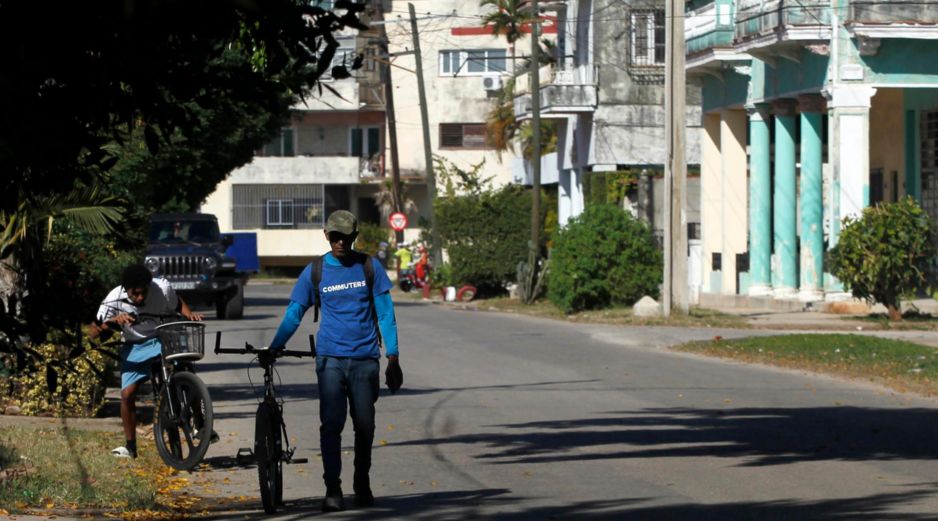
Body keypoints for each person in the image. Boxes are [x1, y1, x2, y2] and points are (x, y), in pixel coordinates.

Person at [269, 209, 403, 512]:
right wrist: (275, 346)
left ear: (354, 237)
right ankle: (332, 487)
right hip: (330, 359)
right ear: (326, 235)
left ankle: (361, 482)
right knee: (331, 425)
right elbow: (294, 312)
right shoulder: (315, 271)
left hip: (365, 359)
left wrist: (393, 356)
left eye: (346, 236)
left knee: (365, 425)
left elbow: (385, 313)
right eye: (335, 236)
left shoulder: (369, 266)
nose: (340, 242)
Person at [87, 264, 203, 458]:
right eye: (135, 294)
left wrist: (189, 313)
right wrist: (114, 320)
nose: (140, 298)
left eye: (144, 293)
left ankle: (199, 420)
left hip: (163, 337)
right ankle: (130, 447)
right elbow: (93, 332)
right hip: (135, 346)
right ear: (126, 290)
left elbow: (177, 304)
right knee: (127, 395)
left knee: (184, 370)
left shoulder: (162, 289)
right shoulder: (113, 299)